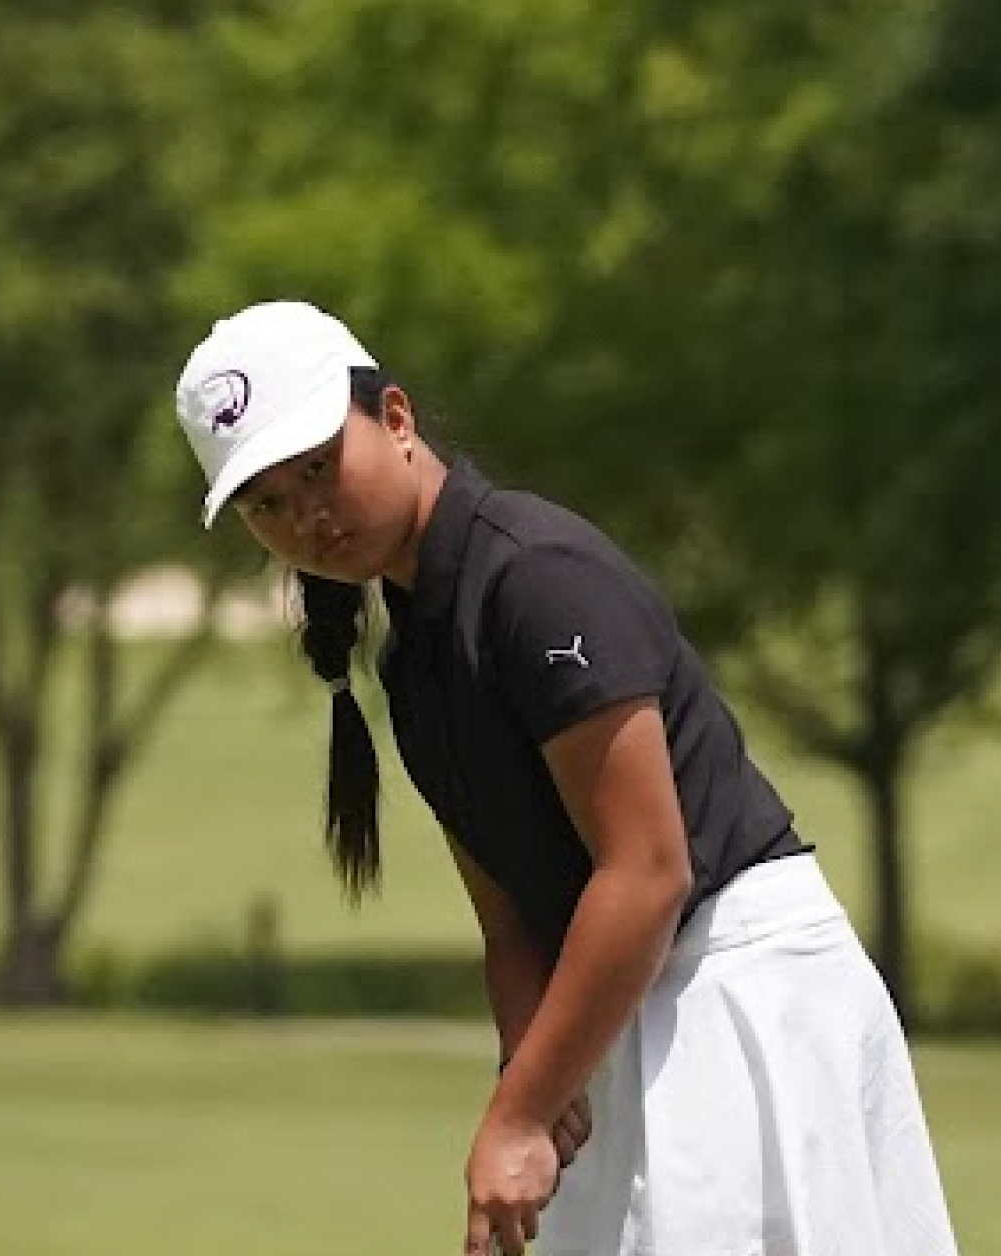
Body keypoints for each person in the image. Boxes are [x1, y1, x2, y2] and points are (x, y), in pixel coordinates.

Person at [171, 300, 960, 1256]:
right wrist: (532, 1081)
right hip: (625, 1002)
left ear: (397, 417)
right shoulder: (415, 657)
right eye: (266, 503)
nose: (307, 515)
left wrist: (519, 1114)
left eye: (316, 468)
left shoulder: (534, 578)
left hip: (737, 991)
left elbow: (647, 871)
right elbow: (510, 921)